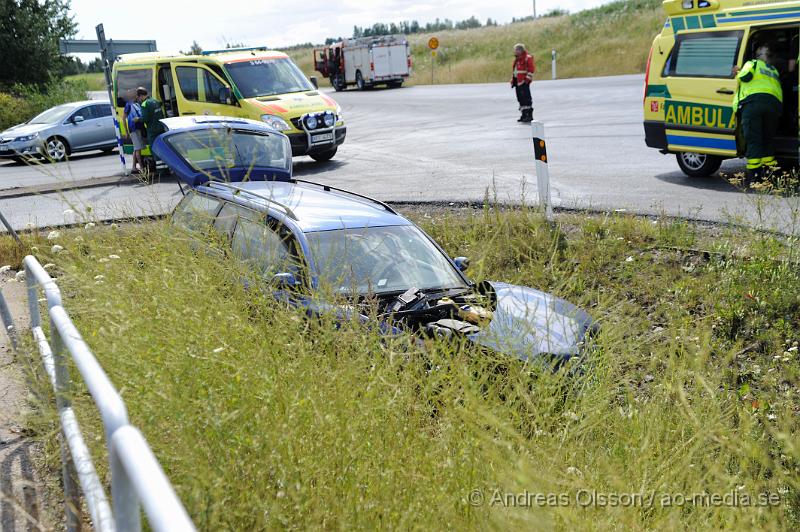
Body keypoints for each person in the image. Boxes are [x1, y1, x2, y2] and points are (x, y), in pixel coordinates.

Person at [733, 45, 783, 179]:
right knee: (768, 139)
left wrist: (738, 71)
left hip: (753, 104)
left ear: (757, 56)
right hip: (773, 106)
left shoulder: (752, 63)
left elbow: (745, 77)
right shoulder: (773, 70)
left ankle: (756, 175)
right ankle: (769, 172)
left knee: (754, 139)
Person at [139, 87, 166, 170]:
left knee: (155, 150)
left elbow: (145, 118)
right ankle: (166, 168)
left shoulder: (145, 104)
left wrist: (138, 119)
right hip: (161, 128)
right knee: (163, 148)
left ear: (140, 96)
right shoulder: (155, 101)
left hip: (152, 131)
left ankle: (161, 171)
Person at [511, 43, 536, 123]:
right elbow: (515, 71)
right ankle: (524, 114)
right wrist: (513, 81)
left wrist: (527, 80)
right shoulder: (517, 59)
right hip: (517, 82)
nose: (514, 52)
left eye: (516, 50)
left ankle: (529, 115)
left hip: (523, 82)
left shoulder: (527, 58)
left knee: (526, 99)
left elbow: (531, 69)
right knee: (520, 99)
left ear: (520, 50)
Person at [123, 90, 145, 174]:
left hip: (138, 128)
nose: (136, 95)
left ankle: (134, 167)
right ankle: (142, 168)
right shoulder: (128, 105)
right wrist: (126, 132)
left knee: (136, 149)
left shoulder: (137, 103)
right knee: (138, 149)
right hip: (134, 129)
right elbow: (123, 118)